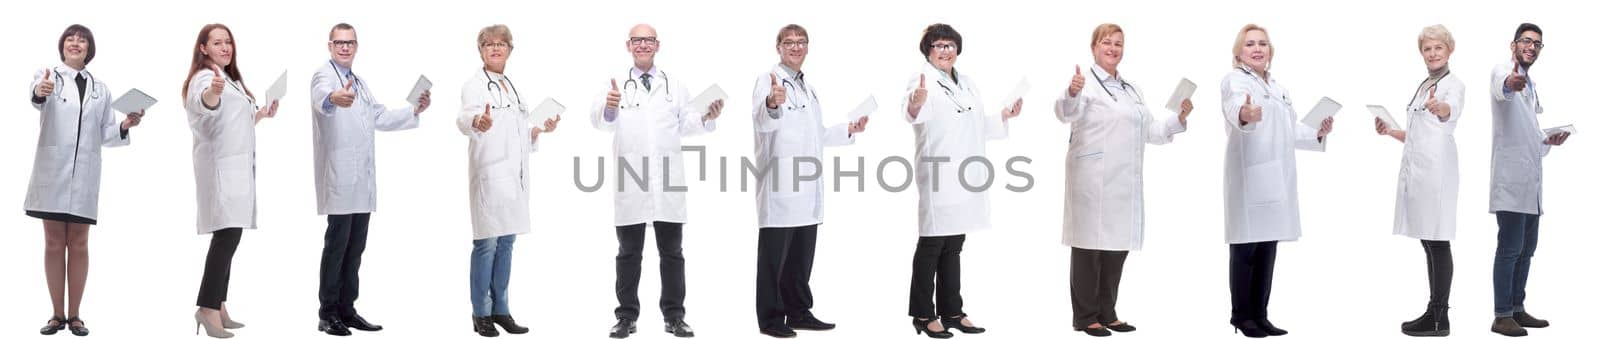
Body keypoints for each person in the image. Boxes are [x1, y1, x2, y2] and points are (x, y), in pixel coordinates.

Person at [1054, 23, 1190, 337]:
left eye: (1118, 43)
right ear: (1094, 47)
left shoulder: (1131, 89)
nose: (1113, 48)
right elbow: (1065, 113)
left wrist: (1179, 118)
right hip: (1092, 179)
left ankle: (1107, 312)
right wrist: (1071, 92)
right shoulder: (1084, 83)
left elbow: (1151, 131)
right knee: (1089, 248)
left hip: (1124, 180)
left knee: (1116, 247)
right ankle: (1086, 316)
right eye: (1106, 43)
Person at [590, 23, 724, 339]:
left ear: (657, 45)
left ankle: (675, 317)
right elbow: (600, 122)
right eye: (637, 40)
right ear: (628, 46)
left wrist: (708, 117)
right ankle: (626, 317)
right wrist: (609, 107)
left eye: (648, 40)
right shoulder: (615, 83)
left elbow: (688, 124)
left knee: (673, 253)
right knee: (628, 253)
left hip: (667, 181)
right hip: (631, 180)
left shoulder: (674, 85)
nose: (643, 45)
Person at [308, 22, 432, 336]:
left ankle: (348, 310)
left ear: (356, 46)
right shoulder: (324, 76)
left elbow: (379, 116)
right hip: (339, 177)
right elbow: (323, 98)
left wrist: (414, 109)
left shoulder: (359, 83)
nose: (345, 47)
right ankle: (327, 314)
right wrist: (335, 98)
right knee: (336, 246)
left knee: (355, 248)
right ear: (330, 46)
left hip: (361, 181)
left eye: (350, 43)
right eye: (339, 43)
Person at [747, 24, 868, 339]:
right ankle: (771, 319)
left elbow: (818, 134)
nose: (796, 47)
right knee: (774, 259)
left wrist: (849, 130)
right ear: (779, 47)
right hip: (781, 185)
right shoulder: (769, 80)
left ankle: (799, 312)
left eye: (801, 42)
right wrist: (772, 103)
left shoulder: (807, 87)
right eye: (789, 42)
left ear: (808, 47)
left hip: (807, 187)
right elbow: (762, 120)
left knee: (801, 257)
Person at [901, 23, 1020, 339]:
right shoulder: (922, 80)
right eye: (939, 45)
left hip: (966, 174)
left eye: (950, 45)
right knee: (932, 244)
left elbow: (977, 124)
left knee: (954, 245)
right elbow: (913, 112)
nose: (945, 51)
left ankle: (952, 311)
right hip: (939, 173)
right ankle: (924, 315)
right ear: (928, 50)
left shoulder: (966, 82)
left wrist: (1005, 116)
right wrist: (916, 100)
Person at [27, 24, 143, 337]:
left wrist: (125, 124)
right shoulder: (47, 74)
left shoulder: (100, 89)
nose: (76, 43)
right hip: (52, 173)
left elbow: (105, 133)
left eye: (82, 40)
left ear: (89, 50)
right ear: (62, 45)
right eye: (70, 38)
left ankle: (75, 316)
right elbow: (37, 95)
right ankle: (56, 314)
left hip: (85, 178)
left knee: (78, 243)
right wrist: (41, 91)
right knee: (53, 242)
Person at [1218, 24, 1333, 338]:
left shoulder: (1278, 88)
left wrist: (1318, 132)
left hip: (1276, 178)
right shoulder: (1234, 81)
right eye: (1250, 44)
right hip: (1250, 177)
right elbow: (1234, 110)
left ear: (1270, 51)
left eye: (1263, 44)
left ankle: (1261, 315)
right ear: (1238, 52)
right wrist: (1245, 114)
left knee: (1268, 248)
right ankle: (1242, 317)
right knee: (1245, 249)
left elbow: (1291, 131)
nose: (1258, 49)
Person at [457, 24, 558, 338]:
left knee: (507, 244)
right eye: (489, 44)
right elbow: (464, 118)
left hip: (514, 180)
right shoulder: (474, 85)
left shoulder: (512, 87)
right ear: (481, 51)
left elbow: (516, 135)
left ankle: (501, 309)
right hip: (489, 175)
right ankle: (481, 313)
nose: (496, 48)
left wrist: (539, 130)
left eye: (501, 44)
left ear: (510, 50)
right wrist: (477, 120)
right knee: (486, 245)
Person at [183, 23, 279, 339]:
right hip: (221, 170)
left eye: (228, 43)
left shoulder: (232, 80)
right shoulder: (204, 79)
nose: (225, 48)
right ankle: (206, 308)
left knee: (230, 237)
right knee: (226, 238)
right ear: (203, 48)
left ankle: (219, 305)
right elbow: (204, 106)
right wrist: (212, 92)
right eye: (217, 43)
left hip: (236, 168)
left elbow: (234, 120)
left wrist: (261, 114)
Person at [1372, 24, 1464, 338]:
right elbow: (1417, 135)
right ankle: (1433, 312)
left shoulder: (1453, 85)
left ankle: (1440, 317)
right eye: (1427, 49)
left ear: (1449, 50)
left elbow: (1449, 111)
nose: (1433, 53)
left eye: (1438, 48)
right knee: (1428, 240)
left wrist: (1442, 108)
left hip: (1437, 173)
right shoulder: (1426, 84)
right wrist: (1390, 131)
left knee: (1437, 240)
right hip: (1420, 170)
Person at [1486, 22, 1565, 338]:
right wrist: (1510, 82)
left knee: (1527, 248)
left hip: (1530, 185)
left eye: (1537, 44)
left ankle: (1517, 308)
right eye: (1526, 41)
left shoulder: (1531, 85)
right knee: (1509, 249)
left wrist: (1548, 141)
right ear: (1513, 45)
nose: (1531, 47)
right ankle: (1501, 315)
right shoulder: (1503, 71)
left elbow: (1528, 134)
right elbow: (1502, 86)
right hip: (1510, 182)